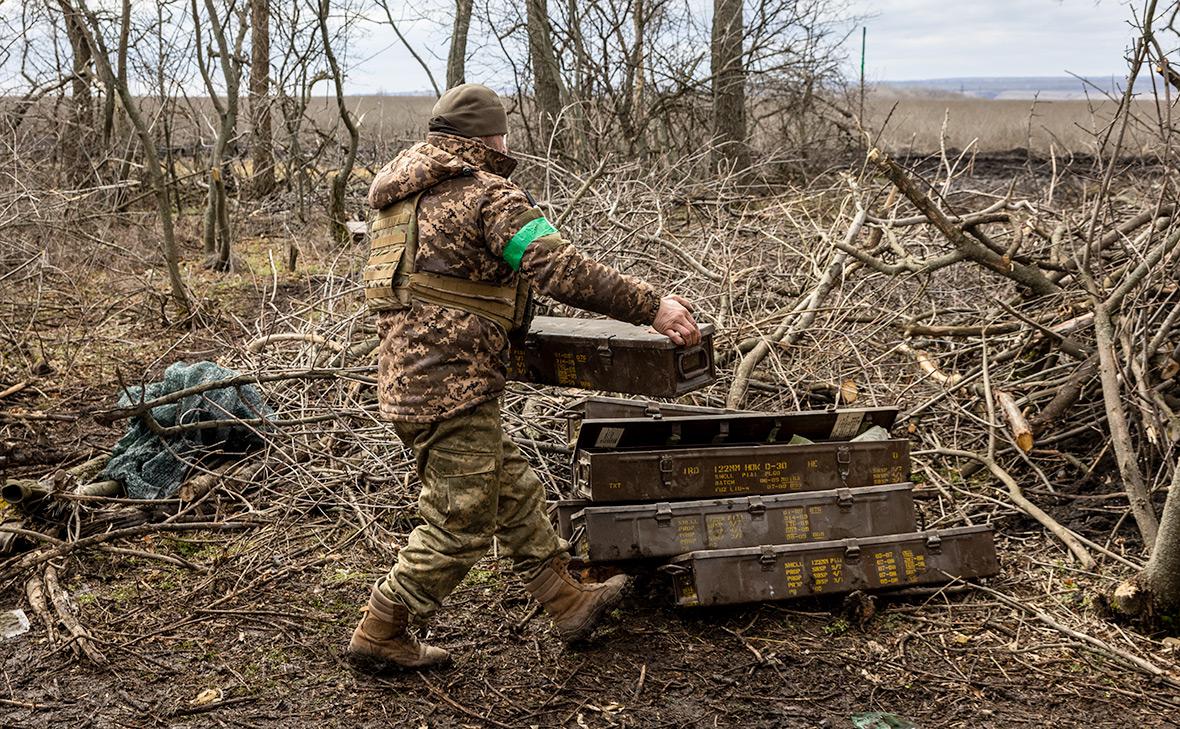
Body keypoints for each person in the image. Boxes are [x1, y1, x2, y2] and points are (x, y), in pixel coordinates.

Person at [349, 83, 702, 670]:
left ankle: (564, 601)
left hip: (409, 380)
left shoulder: (398, 202)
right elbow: (557, 267)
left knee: (514, 492)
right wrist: (653, 305)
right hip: (451, 385)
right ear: (494, 136)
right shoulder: (489, 196)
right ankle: (381, 628)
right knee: (459, 525)